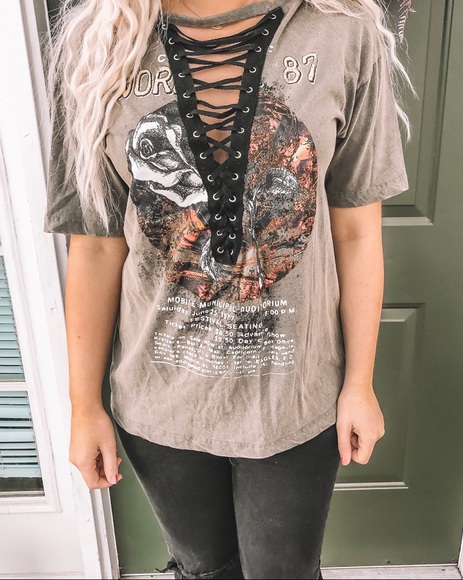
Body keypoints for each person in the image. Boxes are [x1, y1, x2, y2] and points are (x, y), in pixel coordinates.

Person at [44, 0, 411, 577]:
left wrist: (360, 383)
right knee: (204, 569)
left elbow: (358, 232)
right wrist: (84, 405)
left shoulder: (341, 31)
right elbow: (95, 246)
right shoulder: (98, 43)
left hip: (295, 398)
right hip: (160, 399)